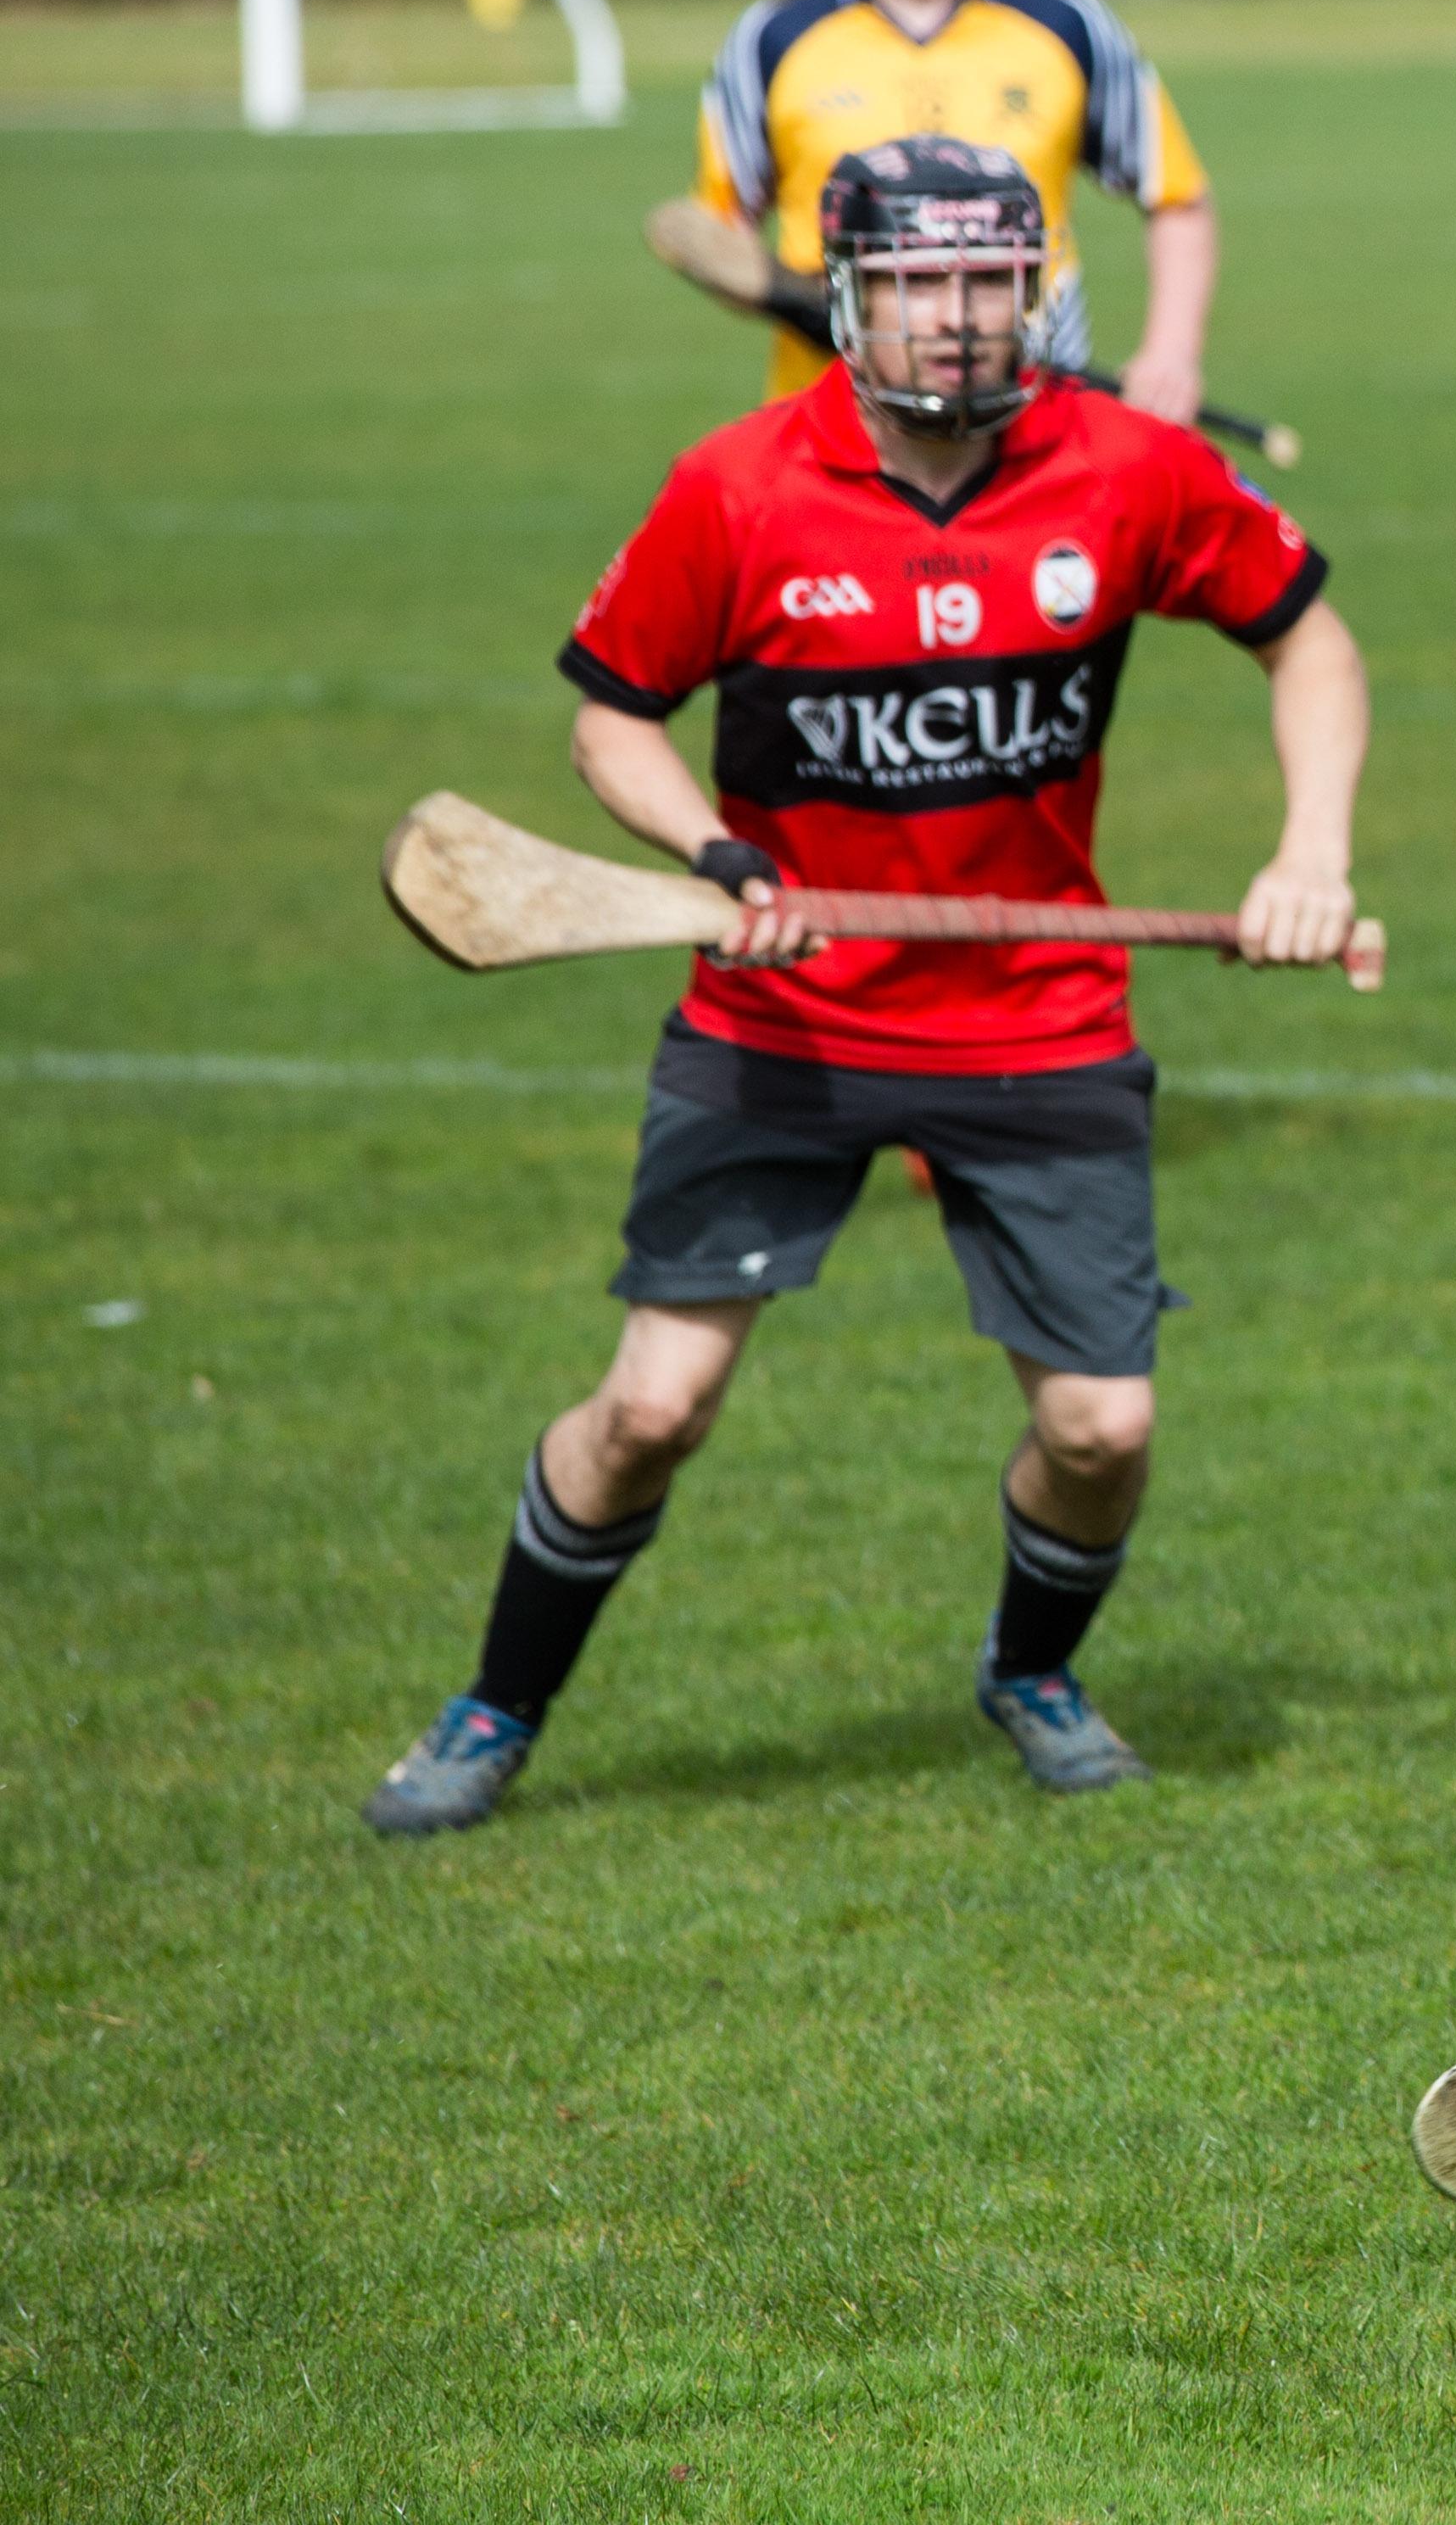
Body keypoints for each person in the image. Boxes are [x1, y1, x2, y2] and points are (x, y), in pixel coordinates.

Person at [360, 139, 1368, 1836]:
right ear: (850, 300)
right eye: (920, 287)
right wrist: (711, 849)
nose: (961, 323)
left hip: (1038, 1022)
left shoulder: (1127, 468)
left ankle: (1032, 1672)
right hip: (782, 1025)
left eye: (992, 283)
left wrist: (1312, 852)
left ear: (1036, 289)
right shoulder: (741, 486)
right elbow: (614, 709)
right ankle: (490, 1708)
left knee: (1105, 1430)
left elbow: (1310, 640)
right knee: (652, 1408)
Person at [693, 0, 1222, 422]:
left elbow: (1176, 198)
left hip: (1035, 426)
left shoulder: (1067, 27)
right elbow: (715, 225)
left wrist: (1171, 353)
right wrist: (795, 298)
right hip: (829, 434)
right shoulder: (771, 40)